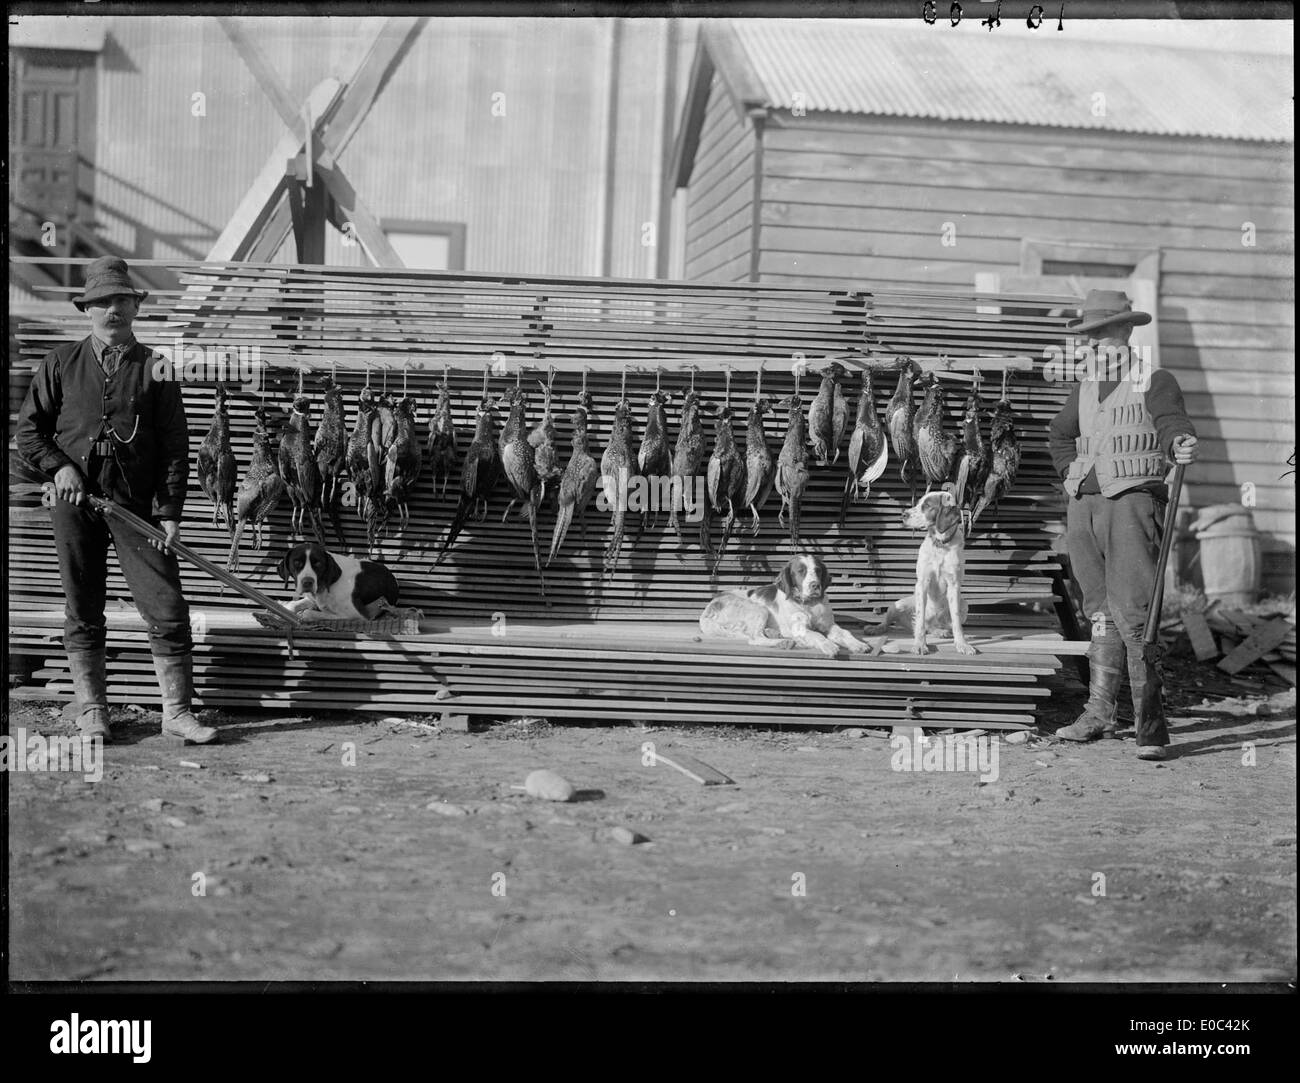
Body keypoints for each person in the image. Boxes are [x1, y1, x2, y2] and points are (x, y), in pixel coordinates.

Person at [15, 256, 218, 745]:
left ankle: (176, 713)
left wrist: (170, 513)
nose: (113, 310)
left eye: (122, 301)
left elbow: (174, 445)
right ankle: (92, 711)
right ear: (87, 309)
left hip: (138, 508)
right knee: (83, 606)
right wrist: (61, 467)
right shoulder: (60, 362)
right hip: (75, 503)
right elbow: (29, 431)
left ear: (135, 307)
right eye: (103, 302)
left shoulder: (157, 368)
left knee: (167, 607)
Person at [1047, 290, 1198, 760]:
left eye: (1103, 335)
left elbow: (1173, 422)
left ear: (1127, 333)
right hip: (1085, 509)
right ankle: (1098, 712)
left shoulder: (1155, 379)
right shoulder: (1086, 386)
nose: (1094, 345)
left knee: (1135, 613)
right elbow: (1059, 434)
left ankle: (1149, 724)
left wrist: (1180, 443)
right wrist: (1072, 472)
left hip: (1133, 505)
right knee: (1098, 613)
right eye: (1088, 338)